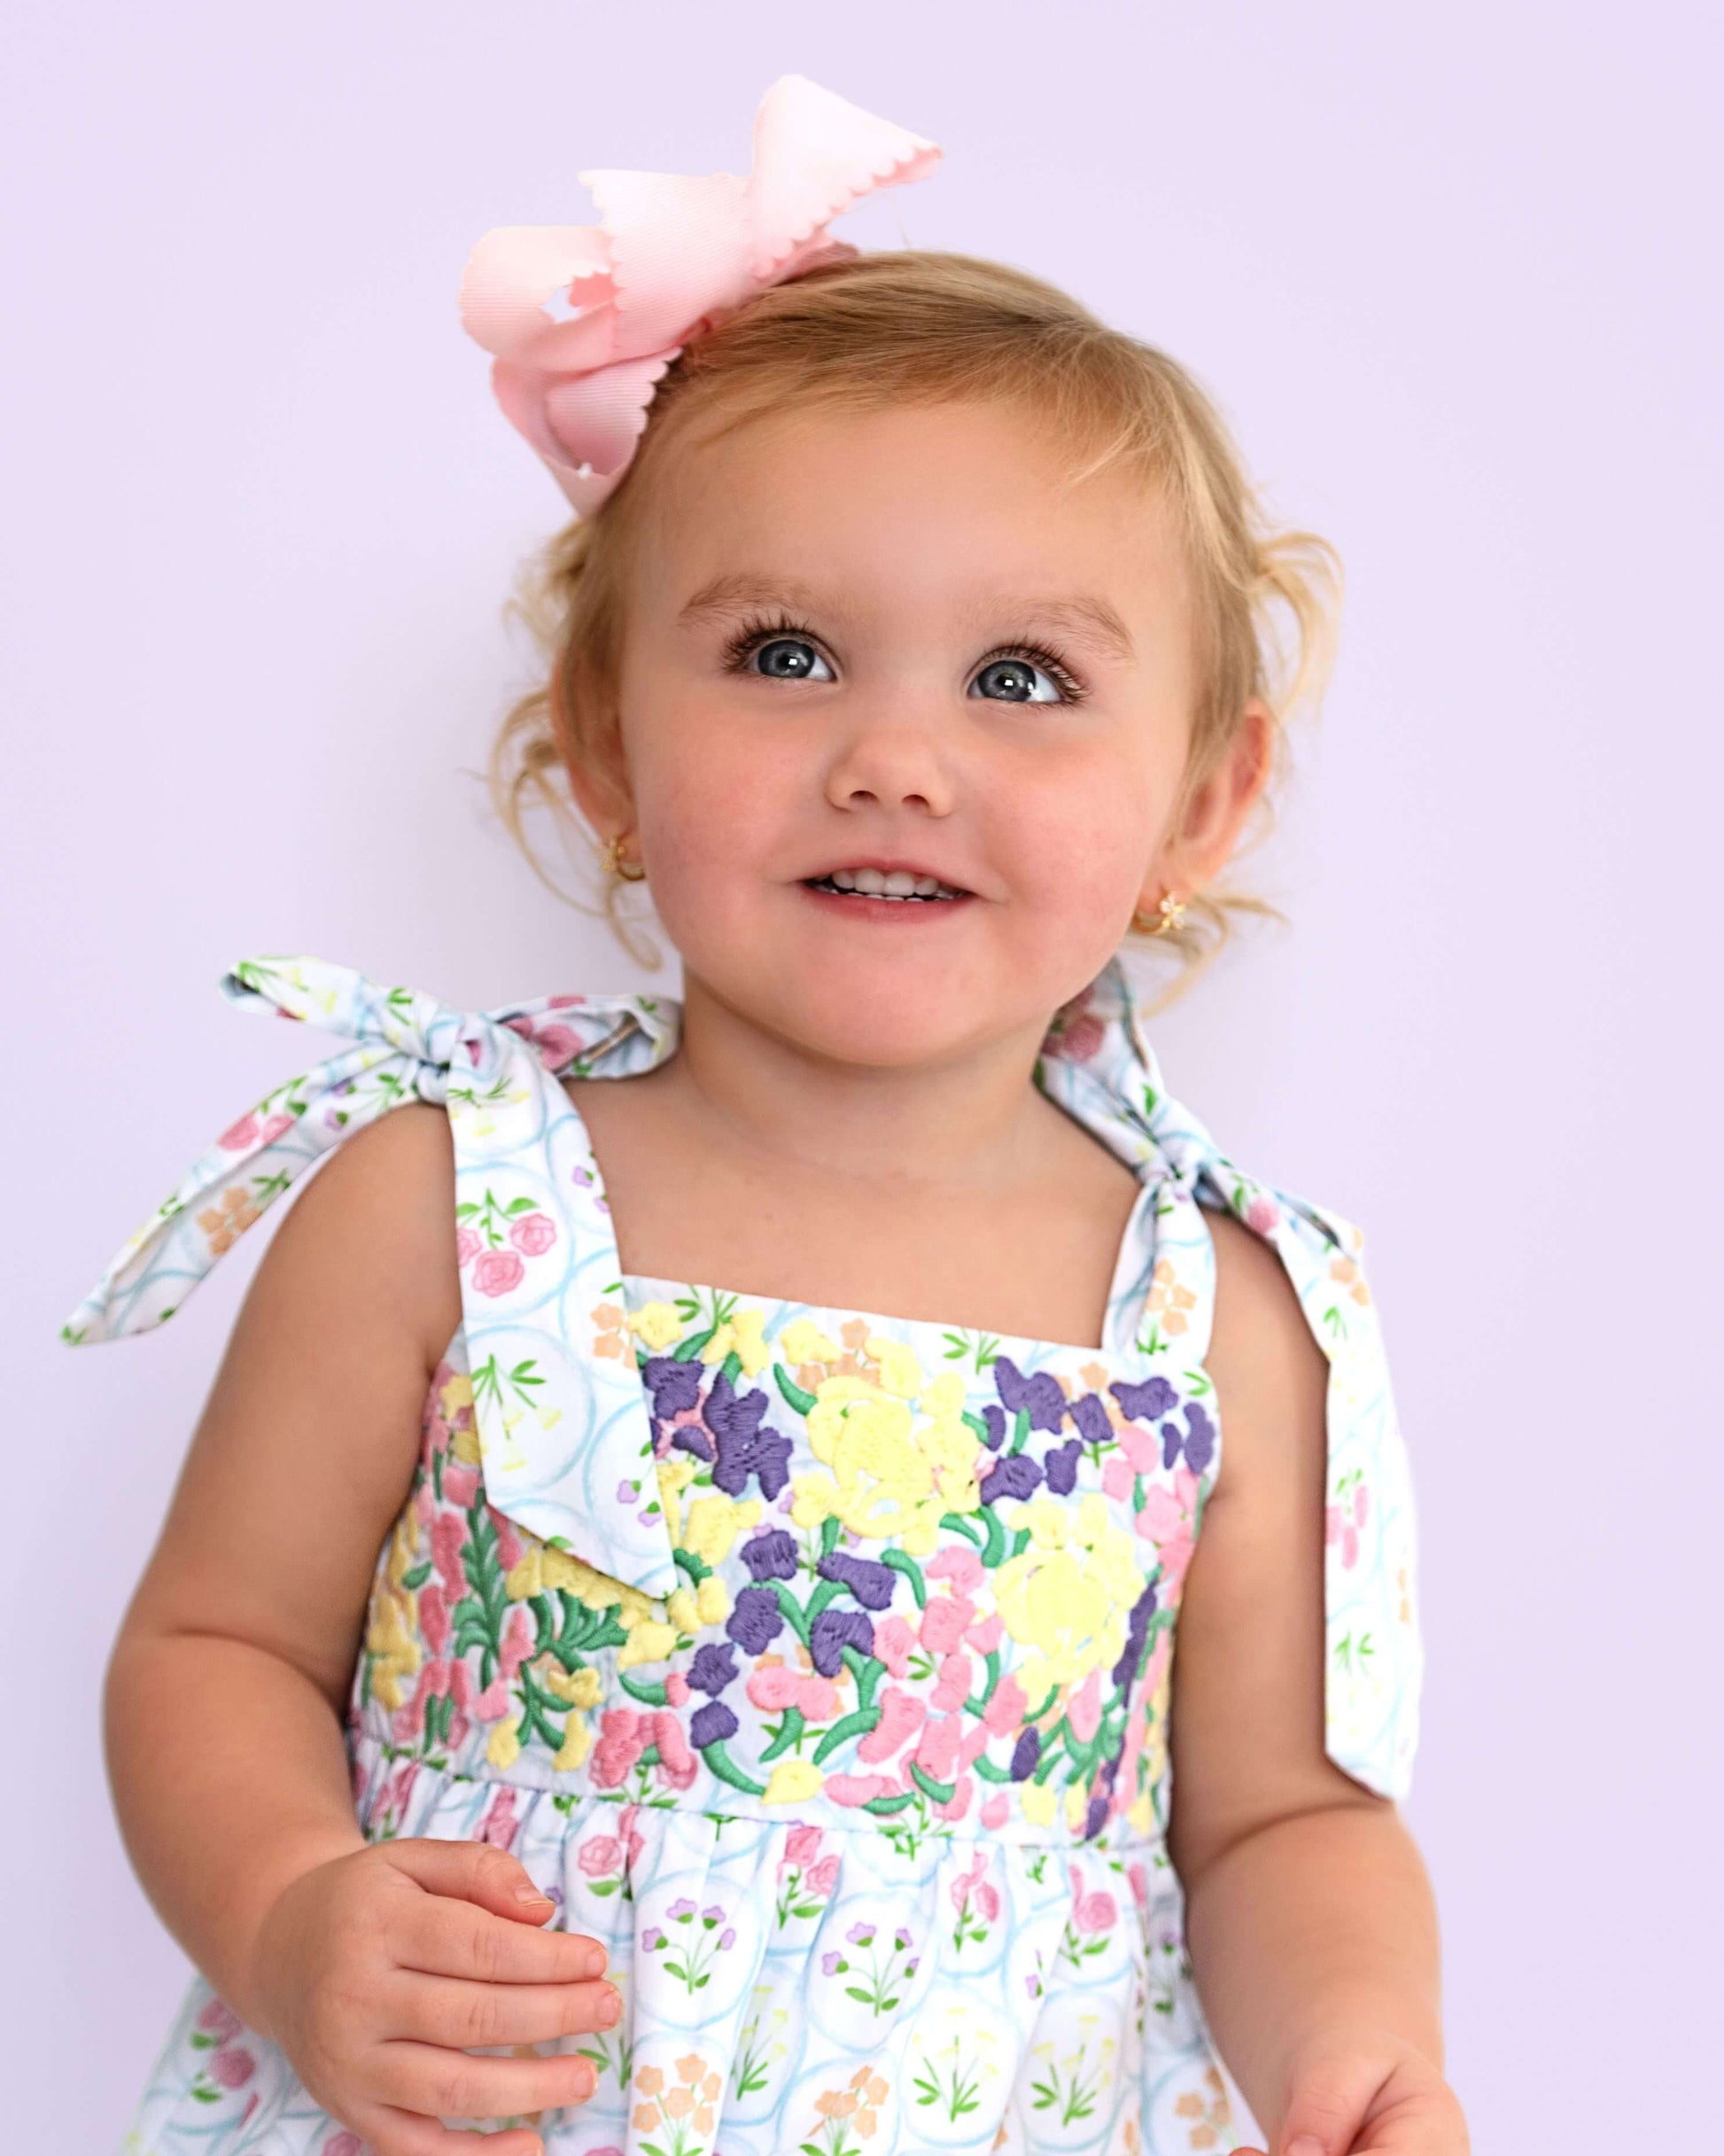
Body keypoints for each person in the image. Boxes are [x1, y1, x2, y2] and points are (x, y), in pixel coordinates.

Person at [72, 74, 1462, 2156]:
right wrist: (288, 1911)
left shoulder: (1215, 1309)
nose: (895, 755)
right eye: (787, 650)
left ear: (1202, 800)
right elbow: (213, 1639)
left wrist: (1358, 2054)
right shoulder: (451, 1191)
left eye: (1019, 679)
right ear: (605, 746)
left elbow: (1274, 1814)